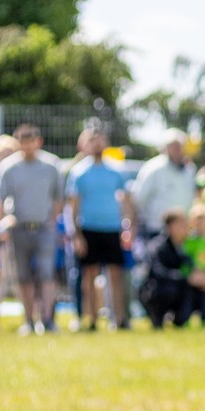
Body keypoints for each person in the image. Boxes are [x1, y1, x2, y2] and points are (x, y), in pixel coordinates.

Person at [0, 123, 65, 335]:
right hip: (18, 229)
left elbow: (58, 198)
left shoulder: (51, 165)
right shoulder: (8, 167)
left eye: (30, 142)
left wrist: (52, 221)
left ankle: (47, 320)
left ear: (38, 141)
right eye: (22, 143)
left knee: (46, 274)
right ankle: (29, 320)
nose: (26, 147)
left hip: (44, 228)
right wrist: (3, 226)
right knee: (23, 276)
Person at [65, 127, 135, 332]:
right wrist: (76, 234)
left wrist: (128, 226)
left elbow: (127, 200)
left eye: (100, 140)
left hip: (112, 228)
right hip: (89, 228)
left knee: (116, 275)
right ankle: (92, 319)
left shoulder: (117, 170)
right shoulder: (79, 172)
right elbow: (73, 206)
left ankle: (120, 319)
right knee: (89, 275)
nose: (97, 145)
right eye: (92, 141)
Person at [130, 131, 198, 240]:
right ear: (165, 148)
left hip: (183, 231)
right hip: (158, 229)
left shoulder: (189, 169)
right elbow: (140, 198)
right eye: (173, 146)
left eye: (180, 146)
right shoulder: (153, 168)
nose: (177, 149)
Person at [139, 208, 193, 329]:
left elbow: (191, 268)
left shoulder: (186, 246)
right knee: (169, 289)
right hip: (155, 290)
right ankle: (157, 318)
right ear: (170, 227)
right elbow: (158, 272)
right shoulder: (157, 246)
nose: (186, 227)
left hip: (178, 287)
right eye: (181, 224)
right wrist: (185, 277)